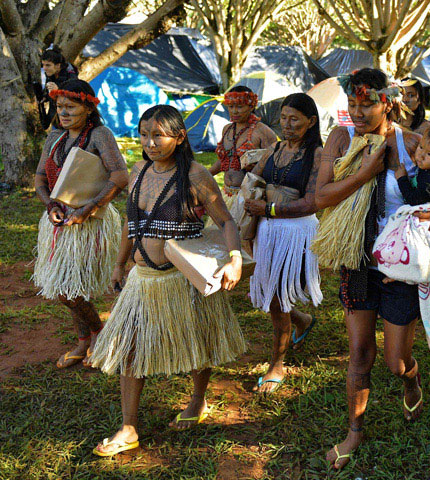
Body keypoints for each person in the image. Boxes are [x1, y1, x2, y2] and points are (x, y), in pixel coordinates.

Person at [90, 105, 247, 456]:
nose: (149, 142)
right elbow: (131, 223)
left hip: (182, 279)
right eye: (144, 134)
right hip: (142, 279)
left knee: (196, 345)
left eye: (158, 135)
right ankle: (129, 426)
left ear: (179, 137)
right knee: (130, 350)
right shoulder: (139, 170)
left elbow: (227, 223)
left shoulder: (196, 175)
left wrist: (235, 259)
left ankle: (197, 399)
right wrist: (119, 264)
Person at [313, 68, 428, 470]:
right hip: (357, 259)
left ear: (388, 103)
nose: (357, 112)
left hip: (400, 267)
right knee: (359, 353)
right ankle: (354, 431)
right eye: (353, 103)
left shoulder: (414, 144)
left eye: (367, 104)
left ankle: (410, 378)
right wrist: (364, 173)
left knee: (395, 361)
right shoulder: (341, 138)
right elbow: (321, 196)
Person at [32, 79, 127, 369]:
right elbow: (38, 178)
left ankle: (97, 334)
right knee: (67, 285)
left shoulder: (100, 135)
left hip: (89, 222)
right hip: (58, 220)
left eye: (70, 106)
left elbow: (120, 176)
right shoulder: (55, 136)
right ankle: (85, 341)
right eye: (60, 106)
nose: (63, 112)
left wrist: (88, 209)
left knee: (70, 289)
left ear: (88, 107)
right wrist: (50, 205)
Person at [243, 93, 324, 393]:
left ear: (310, 121)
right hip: (267, 229)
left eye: (294, 119)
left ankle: (277, 365)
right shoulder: (273, 150)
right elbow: (254, 185)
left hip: (296, 232)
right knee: (274, 296)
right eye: (284, 118)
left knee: (277, 300)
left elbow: (313, 202)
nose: (287, 125)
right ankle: (302, 320)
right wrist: (252, 226)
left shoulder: (317, 154)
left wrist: (269, 210)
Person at [209, 86, 277, 212]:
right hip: (227, 194)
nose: (234, 111)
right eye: (231, 106)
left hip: (250, 197)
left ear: (251, 106)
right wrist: (204, 174)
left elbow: (275, 167)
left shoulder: (263, 131)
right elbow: (225, 160)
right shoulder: (227, 129)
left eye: (239, 107)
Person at [37, 46, 78, 130]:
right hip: (56, 116)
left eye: (48, 65)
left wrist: (59, 90)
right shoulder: (51, 73)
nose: (44, 68)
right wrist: (45, 97)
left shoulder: (71, 77)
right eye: (43, 65)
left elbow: (75, 99)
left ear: (58, 65)